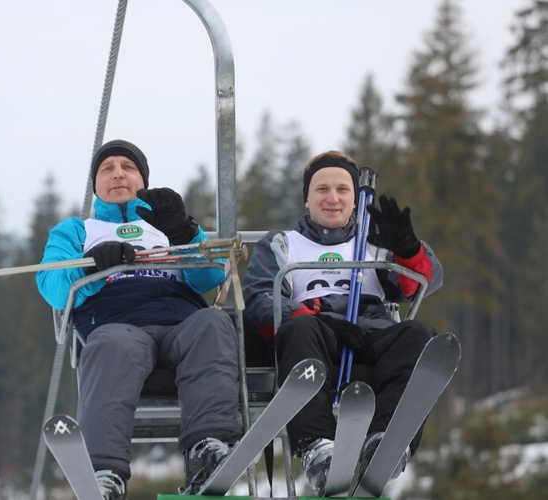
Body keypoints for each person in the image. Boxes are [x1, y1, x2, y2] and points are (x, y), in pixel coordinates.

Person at [36, 139, 243, 499]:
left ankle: (208, 448)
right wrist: (95, 268)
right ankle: (105, 473)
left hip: (180, 323)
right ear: (96, 183)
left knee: (213, 324)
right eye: (107, 168)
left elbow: (211, 277)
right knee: (112, 345)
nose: (118, 173)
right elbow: (52, 285)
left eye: (128, 167)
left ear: (142, 179)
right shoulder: (76, 231)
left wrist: (183, 232)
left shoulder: (163, 224)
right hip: (119, 324)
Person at [241, 150, 443, 496]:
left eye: (342, 190)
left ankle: (386, 438)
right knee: (300, 330)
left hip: (371, 335)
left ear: (355, 200)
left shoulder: (374, 245)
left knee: (420, 336)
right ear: (307, 198)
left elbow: (423, 283)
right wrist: (314, 319)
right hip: (315, 336)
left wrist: (407, 251)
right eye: (321, 189)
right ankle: (317, 444)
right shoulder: (284, 244)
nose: (332, 198)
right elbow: (259, 302)